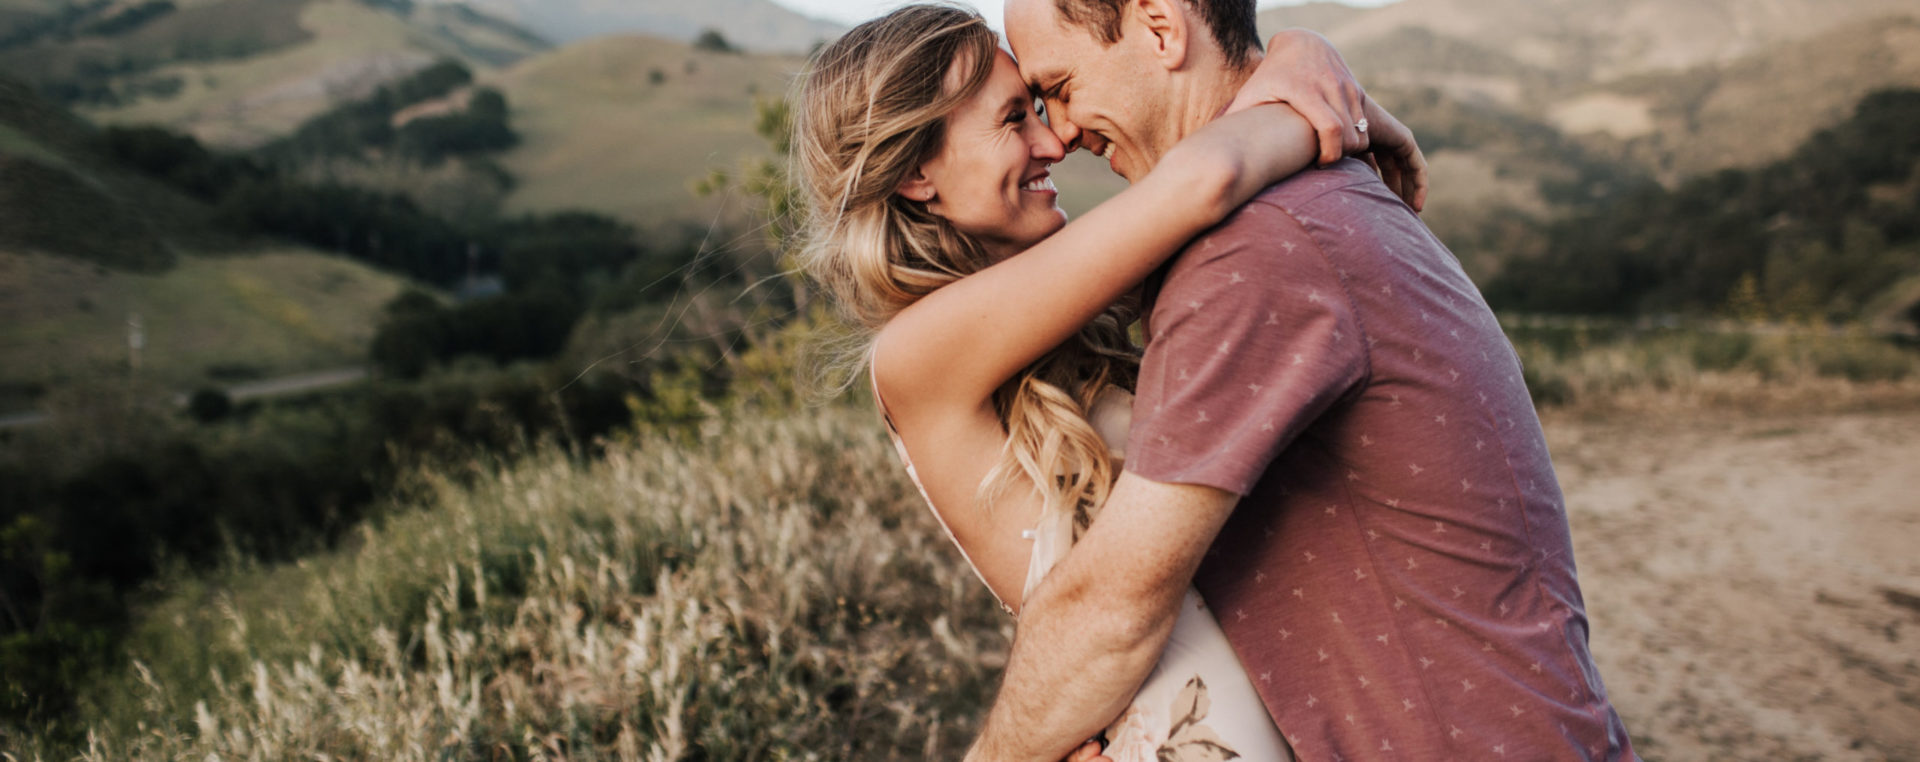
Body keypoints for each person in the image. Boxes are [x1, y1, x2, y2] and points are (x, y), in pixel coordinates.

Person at [961, 0, 1641, 759]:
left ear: (1160, 28)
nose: (1059, 134)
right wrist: (1300, 57)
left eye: (1060, 86)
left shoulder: (1254, 254)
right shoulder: (1303, 203)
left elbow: (1113, 611)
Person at [791, 4, 1426, 760]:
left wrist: (1302, 59)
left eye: (1040, 108)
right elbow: (1208, 177)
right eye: (1013, 120)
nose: (1053, 140)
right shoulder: (917, 354)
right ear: (917, 175)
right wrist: (1317, 88)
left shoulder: (1064, 317)